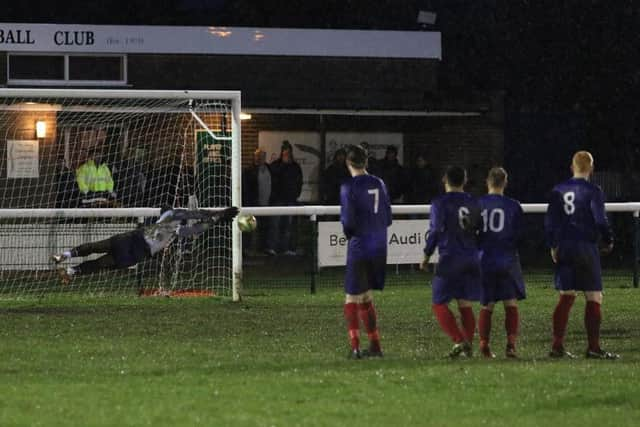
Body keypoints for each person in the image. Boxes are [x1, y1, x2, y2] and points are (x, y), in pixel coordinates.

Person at [544, 151, 618, 359]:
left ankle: (557, 346)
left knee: (566, 295)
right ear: (591, 169)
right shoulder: (593, 190)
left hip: (565, 247)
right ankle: (593, 348)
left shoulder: (558, 190)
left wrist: (553, 245)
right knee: (594, 296)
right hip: (585, 246)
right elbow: (600, 219)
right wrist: (608, 239)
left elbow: (551, 221)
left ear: (572, 167)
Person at [51, 206, 238, 284]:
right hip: (135, 241)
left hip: (138, 250)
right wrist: (216, 216)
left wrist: (217, 217)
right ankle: (64, 256)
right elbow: (193, 220)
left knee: (102, 262)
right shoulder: (172, 218)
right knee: (98, 247)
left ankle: (70, 272)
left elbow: (195, 225)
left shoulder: (175, 230)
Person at [421, 166, 482, 358]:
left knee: (438, 303)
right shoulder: (473, 202)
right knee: (465, 303)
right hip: (471, 257)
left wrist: (426, 255)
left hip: (450, 259)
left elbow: (436, 230)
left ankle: (459, 340)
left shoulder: (440, 202)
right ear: (464, 181)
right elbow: (480, 229)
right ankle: (468, 345)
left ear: (444, 180)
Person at [340, 145, 392, 359]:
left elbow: (349, 221)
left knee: (351, 297)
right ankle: (375, 346)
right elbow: (388, 217)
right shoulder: (379, 183)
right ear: (366, 162)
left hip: (360, 244)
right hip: (379, 245)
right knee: (366, 296)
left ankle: (354, 346)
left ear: (347, 163)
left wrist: (350, 234)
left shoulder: (348, 186)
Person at [477, 167, 526, 358]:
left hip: (485, 258)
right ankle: (511, 345)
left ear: (487, 182)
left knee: (486, 304)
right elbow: (521, 235)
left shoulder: (478, 204)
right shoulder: (513, 206)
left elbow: (472, 232)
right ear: (505, 182)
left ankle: (484, 345)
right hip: (507, 259)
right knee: (510, 303)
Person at [267, 140, 303, 255]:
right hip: (278, 199)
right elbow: (273, 178)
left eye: (288, 152)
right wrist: (283, 164)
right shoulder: (276, 165)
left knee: (289, 225)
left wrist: (296, 194)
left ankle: (287, 248)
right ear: (281, 153)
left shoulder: (295, 166)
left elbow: (299, 182)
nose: (286, 154)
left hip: (291, 199)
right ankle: (273, 248)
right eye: (284, 152)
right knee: (275, 225)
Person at [75, 128, 116, 207]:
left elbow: (110, 180)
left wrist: (109, 190)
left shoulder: (105, 168)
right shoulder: (84, 168)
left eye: (99, 154)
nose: (98, 156)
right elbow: (80, 181)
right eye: (95, 155)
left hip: (103, 196)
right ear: (91, 156)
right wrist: (86, 191)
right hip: (90, 197)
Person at [242, 148, 272, 253]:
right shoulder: (248, 170)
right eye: (258, 156)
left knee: (264, 228)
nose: (260, 159)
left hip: (266, 204)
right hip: (252, 204)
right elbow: (246, 188)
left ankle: (263, 248)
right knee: (248, 228)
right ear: (254, 157)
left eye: (262, 156)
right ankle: (246, 248)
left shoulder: (269, 169)